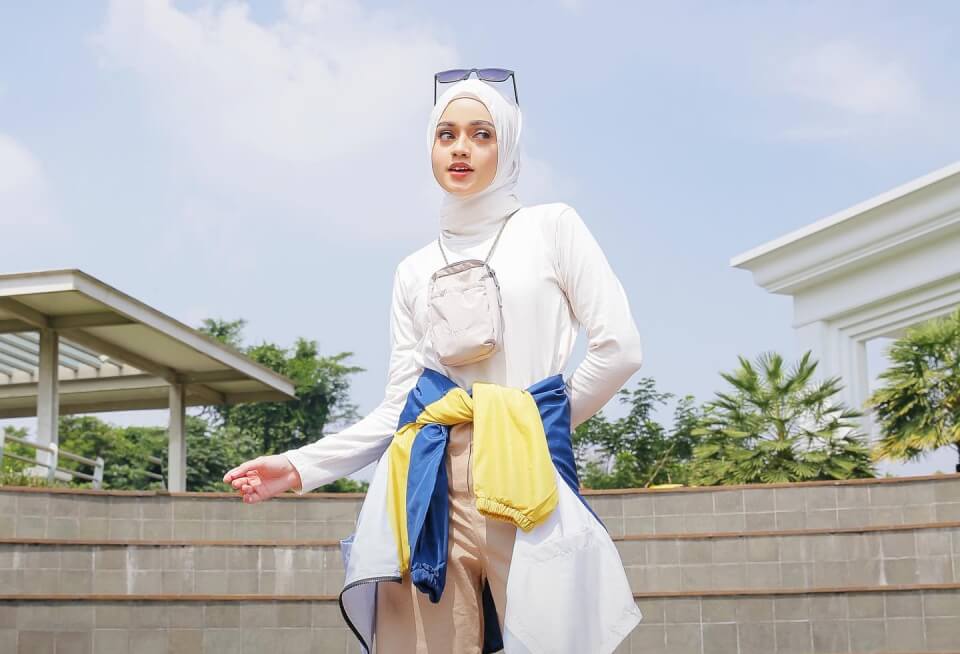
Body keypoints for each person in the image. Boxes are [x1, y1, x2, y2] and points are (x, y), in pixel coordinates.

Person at [223, 73, 644, 654]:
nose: (461, 148)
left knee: (549, 641)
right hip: (429, 482)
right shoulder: (413, 270)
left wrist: (534, 423)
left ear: (507, 145)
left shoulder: (552, 228)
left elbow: (619, 348)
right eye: (446, 134)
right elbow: (400, 407)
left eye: (481, 134)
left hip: (526, 476)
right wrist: (298, 467)